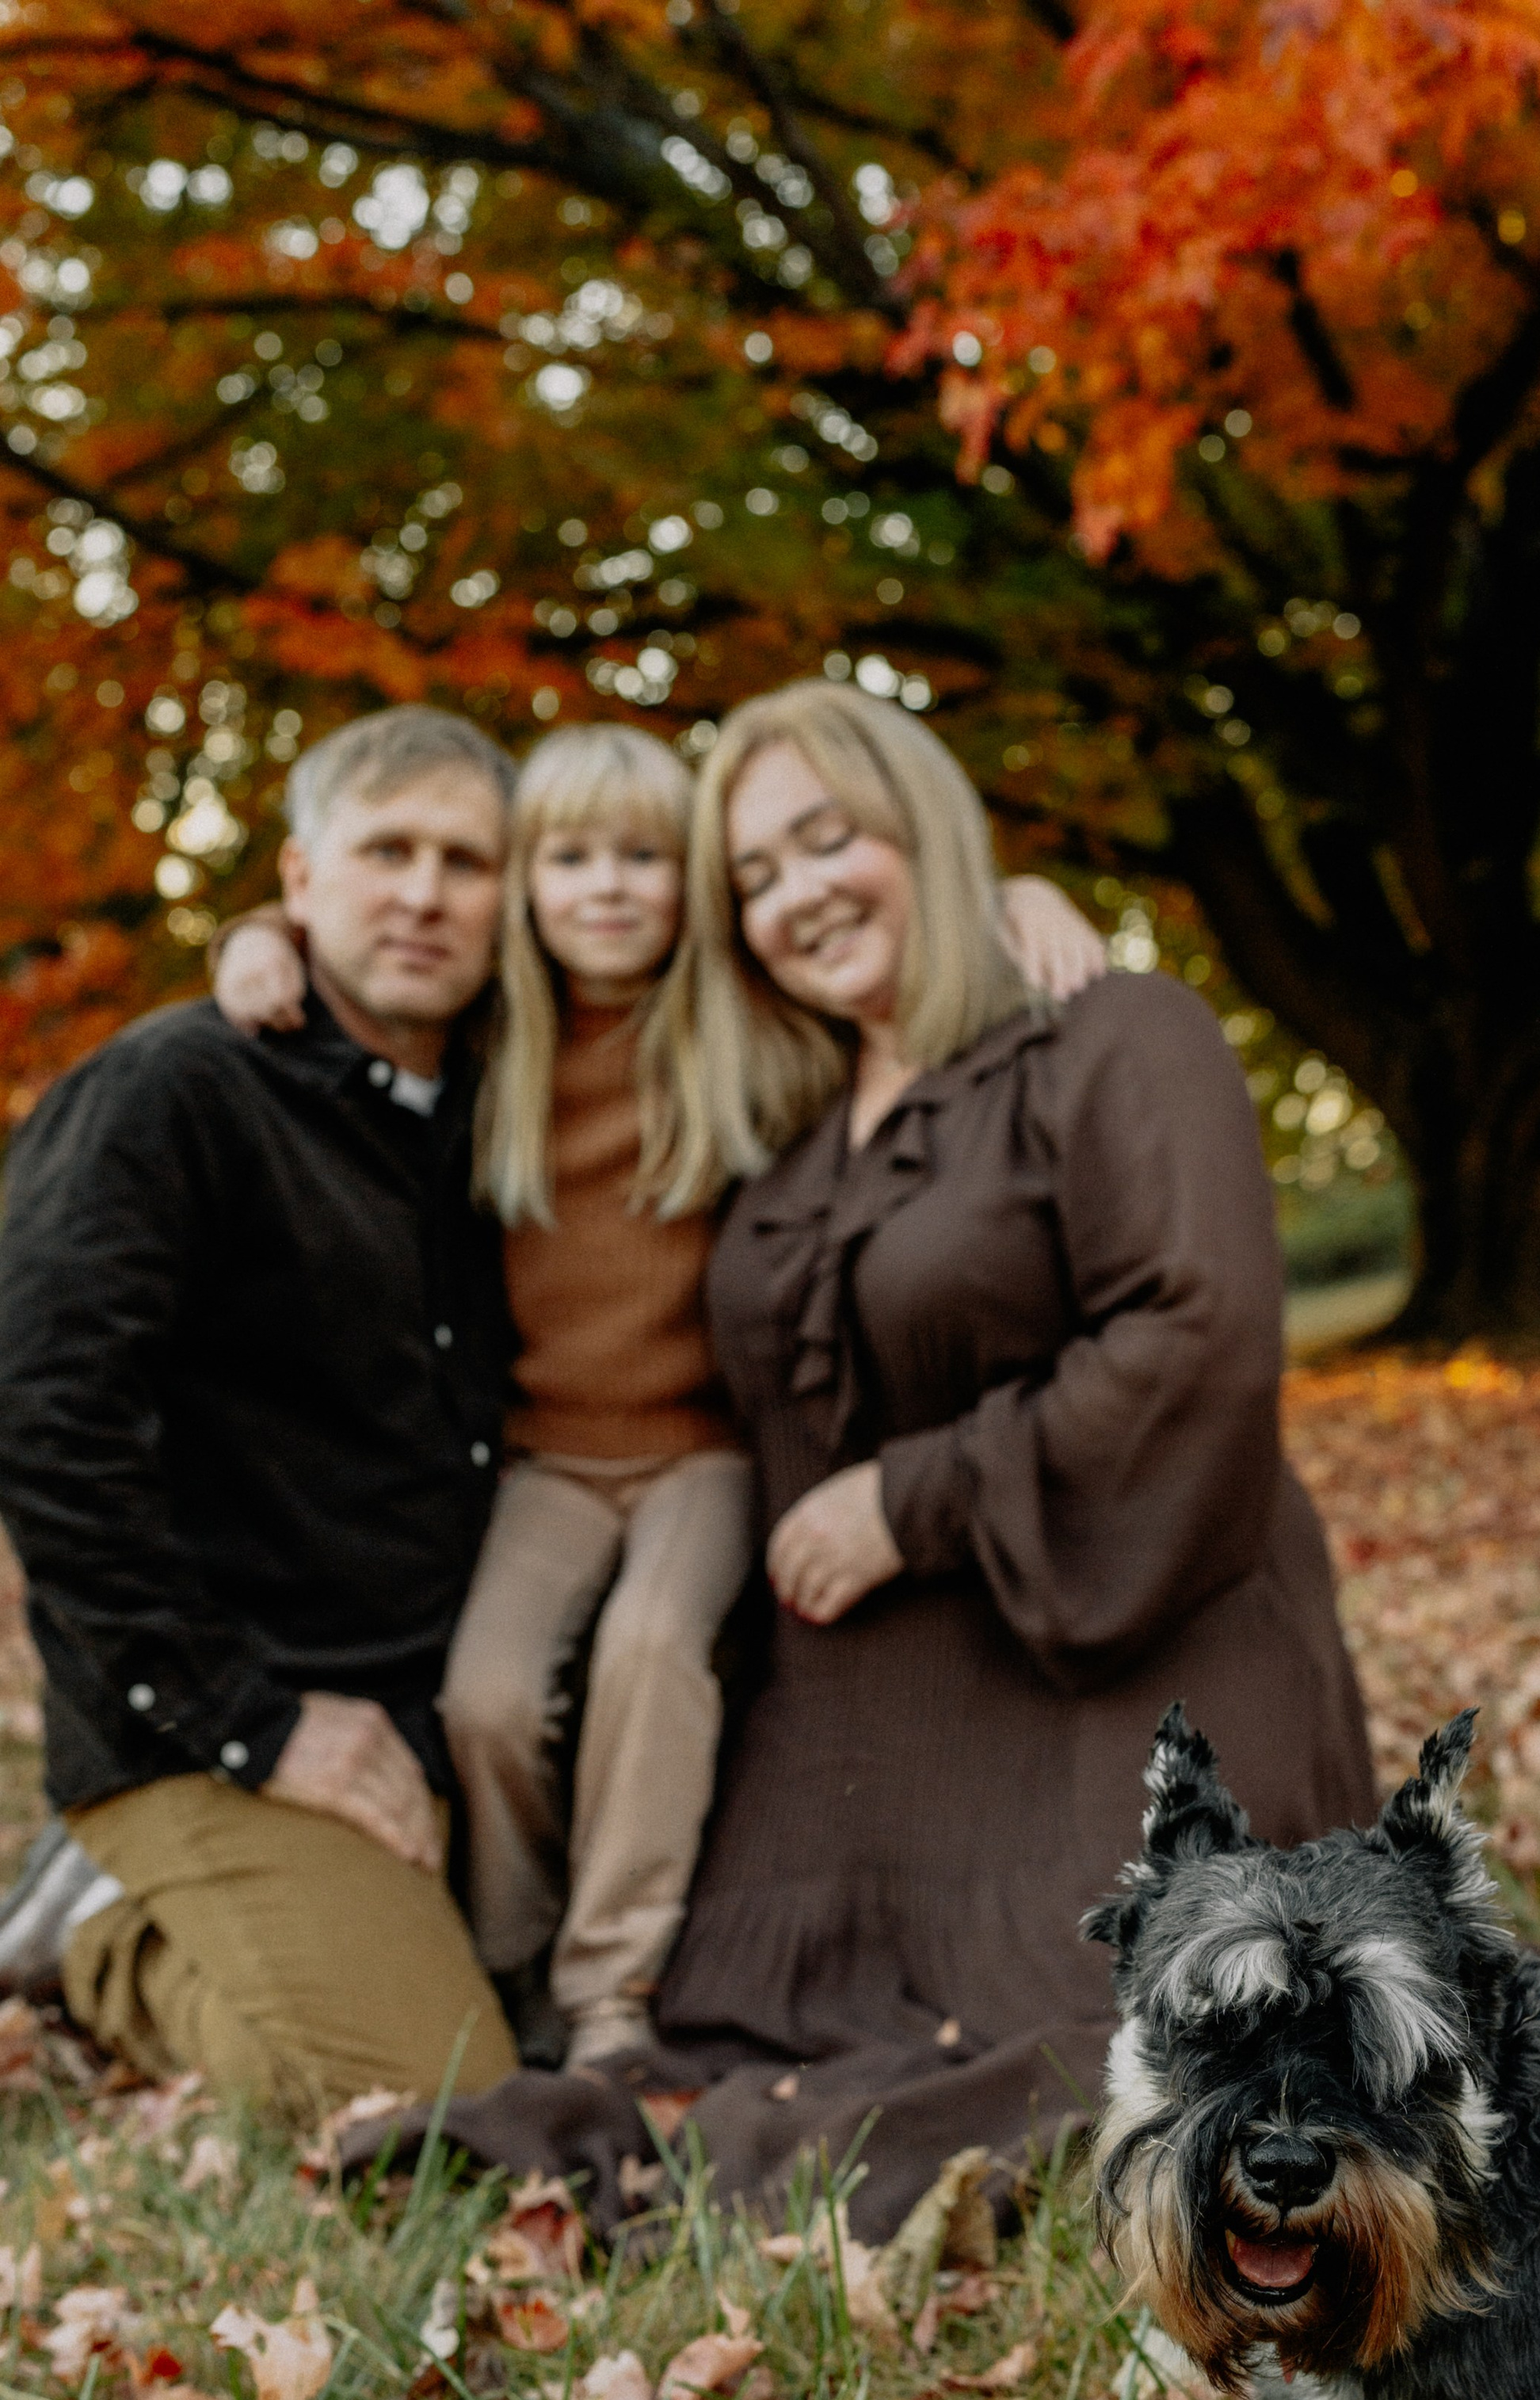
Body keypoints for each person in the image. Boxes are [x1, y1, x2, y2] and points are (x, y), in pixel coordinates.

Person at [206, 723, 1106, 2072]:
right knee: (487, 1699)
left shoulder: (739, 1026)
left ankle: (611, 1990)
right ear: (525, 886)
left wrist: (1014, 899)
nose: (608, 890)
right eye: (569, 860)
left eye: (644, 859)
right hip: (549, 1460)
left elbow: (892, 960)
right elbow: (355, 947)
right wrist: (258, 939)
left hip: (703, 1456)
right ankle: (513, 1962)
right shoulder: (494, 1035)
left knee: (647, 1654)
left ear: (693, 883)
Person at [636, 681, 1380, 2239]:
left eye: (827, 839)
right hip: (859, 1723)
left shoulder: (1111, 1033)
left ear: (922, 825)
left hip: (1132, 1641)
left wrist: (913, 1501)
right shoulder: (784, 1126)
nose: (794, 896)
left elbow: (1197, 1331)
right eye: (752, 878)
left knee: (1115, 2022)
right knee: (744, 2036)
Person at [0, 707, 524, 2112]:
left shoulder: (507, 1104)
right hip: (216, 1722)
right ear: (300, 879)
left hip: (433, 1711)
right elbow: (44, 1419)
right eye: (386, 851)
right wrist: (253, 1721)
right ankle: (104, 1944)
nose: (425, 894)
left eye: (466, 862)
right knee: (438, 2096)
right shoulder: (173, 1090)